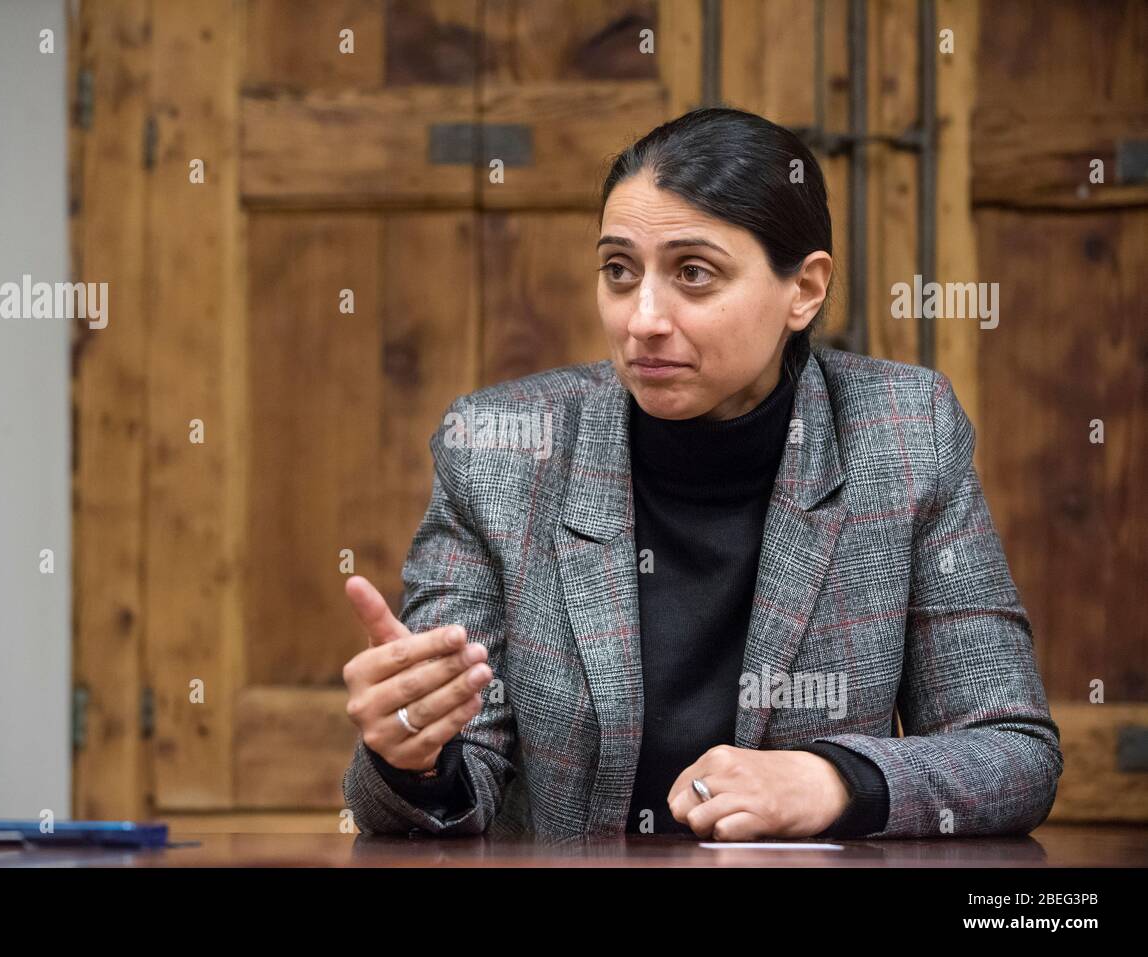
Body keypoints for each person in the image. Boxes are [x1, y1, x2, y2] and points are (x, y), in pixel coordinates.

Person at [340, 106, 1062, 840]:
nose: (643, 318)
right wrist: (413, 760)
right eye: (619, 271)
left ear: (804, 290)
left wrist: (835, 779)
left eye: (694, 273)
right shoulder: (497, 453)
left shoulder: (905, 436)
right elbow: (445, 790)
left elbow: (1014, 753)